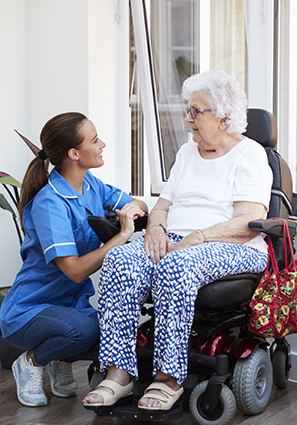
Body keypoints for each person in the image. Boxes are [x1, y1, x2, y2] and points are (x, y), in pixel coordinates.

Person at [83, 70, 273, 412]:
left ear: (225, 116)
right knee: (119, 262)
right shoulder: (187, 153)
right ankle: (119, 375)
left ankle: (167, 378)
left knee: (176, 264)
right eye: (190, 110)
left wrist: (197, 238)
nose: (188, 119)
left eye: (196, 111)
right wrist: (155, 228)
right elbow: (163, 206)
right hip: (175, 239)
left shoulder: (251, 155)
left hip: (234, 246)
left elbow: (247, 223)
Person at [0, 112, 147, 407]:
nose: (102, 144)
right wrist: (121, 235)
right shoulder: (50, 203)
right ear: (74, 153)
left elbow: (135, 202)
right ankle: (31, 360)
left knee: (114, 328)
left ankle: (56, 357)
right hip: (30, 311)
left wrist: (132, 209)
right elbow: (76, 271)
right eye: (95, 140)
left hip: (69, 306)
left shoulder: (90, 185)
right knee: (87, 331)